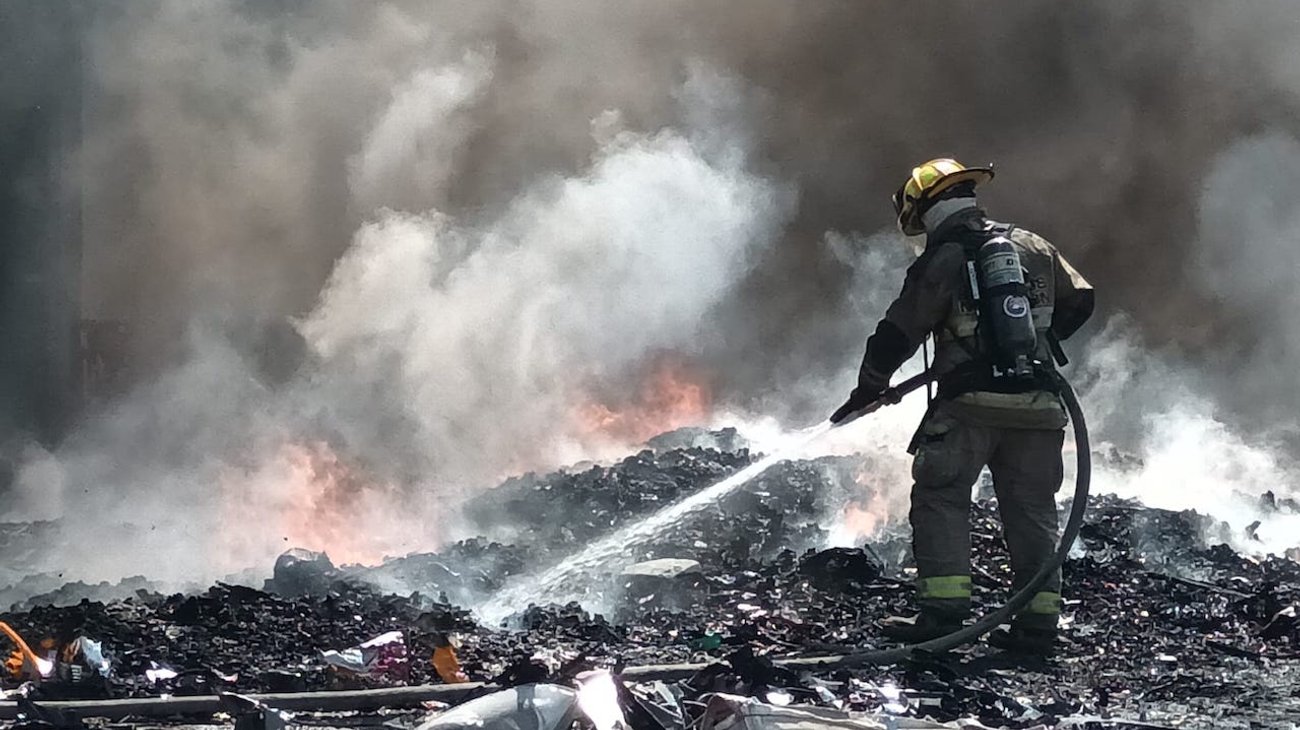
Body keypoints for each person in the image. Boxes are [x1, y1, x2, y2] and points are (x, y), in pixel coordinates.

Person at [829, 158, 1094, 653]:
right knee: (1033, 509)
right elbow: (1081, 299)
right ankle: (1037, 624)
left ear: (925, 208)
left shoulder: (944, 257)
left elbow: (900, 329)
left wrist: (871, 385)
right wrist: (1034, 345)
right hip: (1038, 405)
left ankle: (943, 614)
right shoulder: (1034, 246)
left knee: (942, 498)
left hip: (969, 406)